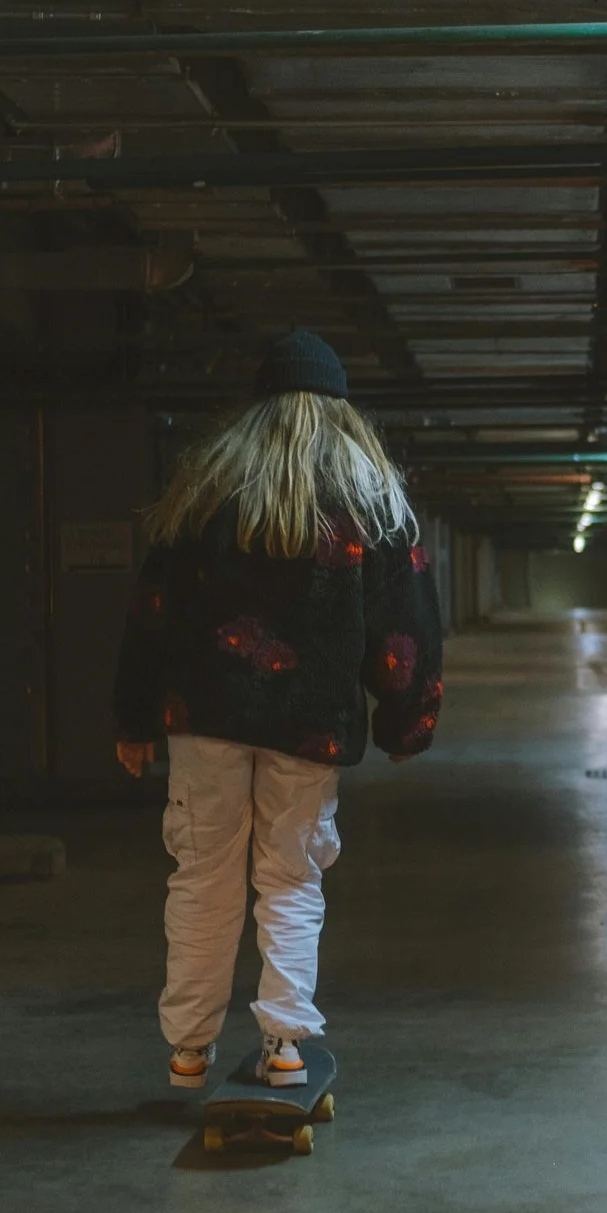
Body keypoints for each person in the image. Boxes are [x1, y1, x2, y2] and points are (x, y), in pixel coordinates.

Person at [113, 330, 443, 1090]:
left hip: (207, 717)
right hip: (310, 723)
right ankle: (284, 1045)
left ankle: (189, 1049)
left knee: (201, 874)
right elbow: (405, 623)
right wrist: (405, 721)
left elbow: (151, 611)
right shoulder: (367, 497)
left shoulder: (204, 492)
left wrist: (132, 718)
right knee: (291, 877)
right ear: (337, 406)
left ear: (257, 407)